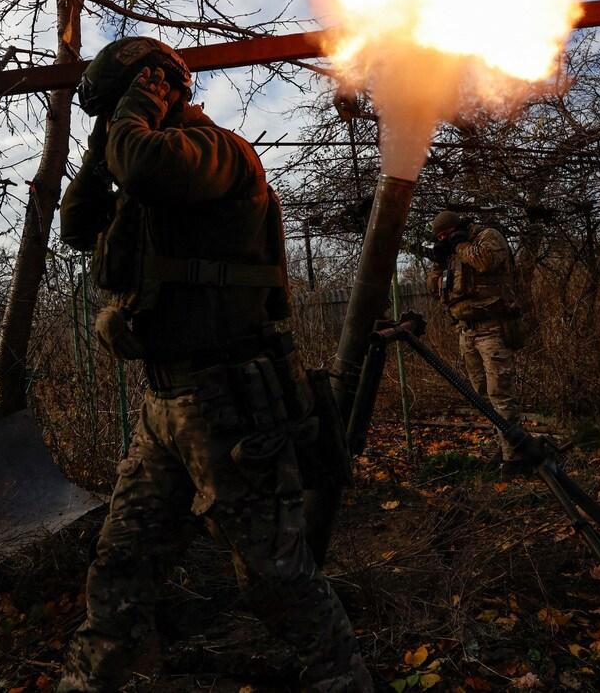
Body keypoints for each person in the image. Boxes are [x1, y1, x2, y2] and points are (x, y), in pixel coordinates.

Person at [56, 37, 370, 692]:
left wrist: (139, 101)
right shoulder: (146, 170)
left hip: (230, 401)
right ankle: (90, 681)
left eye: (121, 107)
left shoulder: (214, 151)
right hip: (165, 408)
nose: (114, 126)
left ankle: (344, 679)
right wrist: (94, 149)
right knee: (120, 566)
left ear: (154, 91)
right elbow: (78, 225)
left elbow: (141, 164)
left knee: (275, 581)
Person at [423, 210, 525, 475]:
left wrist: (459, 244)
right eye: (439, 237)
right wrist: (439, 261)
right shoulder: (451, 253)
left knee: (500, 393)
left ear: (458, 228)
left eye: (446, 234)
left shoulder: (487, 238)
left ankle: (515, 456)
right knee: (481, 396)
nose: (444, 239)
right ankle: (502, 448)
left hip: (492, 328)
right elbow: (434, 289)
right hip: (466, 332)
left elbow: (484, 262)